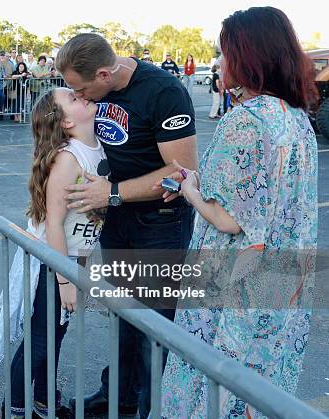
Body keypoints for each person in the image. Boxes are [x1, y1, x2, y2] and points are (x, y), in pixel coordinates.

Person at [158, 7, 318, 418]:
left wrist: (191, 191)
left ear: (247, 57)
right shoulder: (295, 118)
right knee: (260, 392)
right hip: (284, 281)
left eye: (224, 52)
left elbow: (230, 219)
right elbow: (268, 196)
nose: (220, 62)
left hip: (234, 285)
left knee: (210, 389)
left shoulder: (244, 121)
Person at [56, 33, 197, 418]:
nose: (79, 97)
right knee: (121, 312)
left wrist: (113, 192)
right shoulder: (96, 91)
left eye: (82, 89)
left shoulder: (163, 92)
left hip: (161, 222)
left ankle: (153, 408)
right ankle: (119, 395)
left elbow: (182, 172)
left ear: (104, 73)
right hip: (117, 218)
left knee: (154, 321)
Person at [0, 87, 106, 418]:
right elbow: (55, 224)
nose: (82, 94)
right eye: (72, 98)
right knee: (40, 340)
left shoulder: (96, 145)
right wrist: (64, 280)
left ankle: (44, 403)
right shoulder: (68, 158)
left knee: (56, 335)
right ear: (67, 121)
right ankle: (12, 410)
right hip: (53, 262)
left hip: (73, 259)